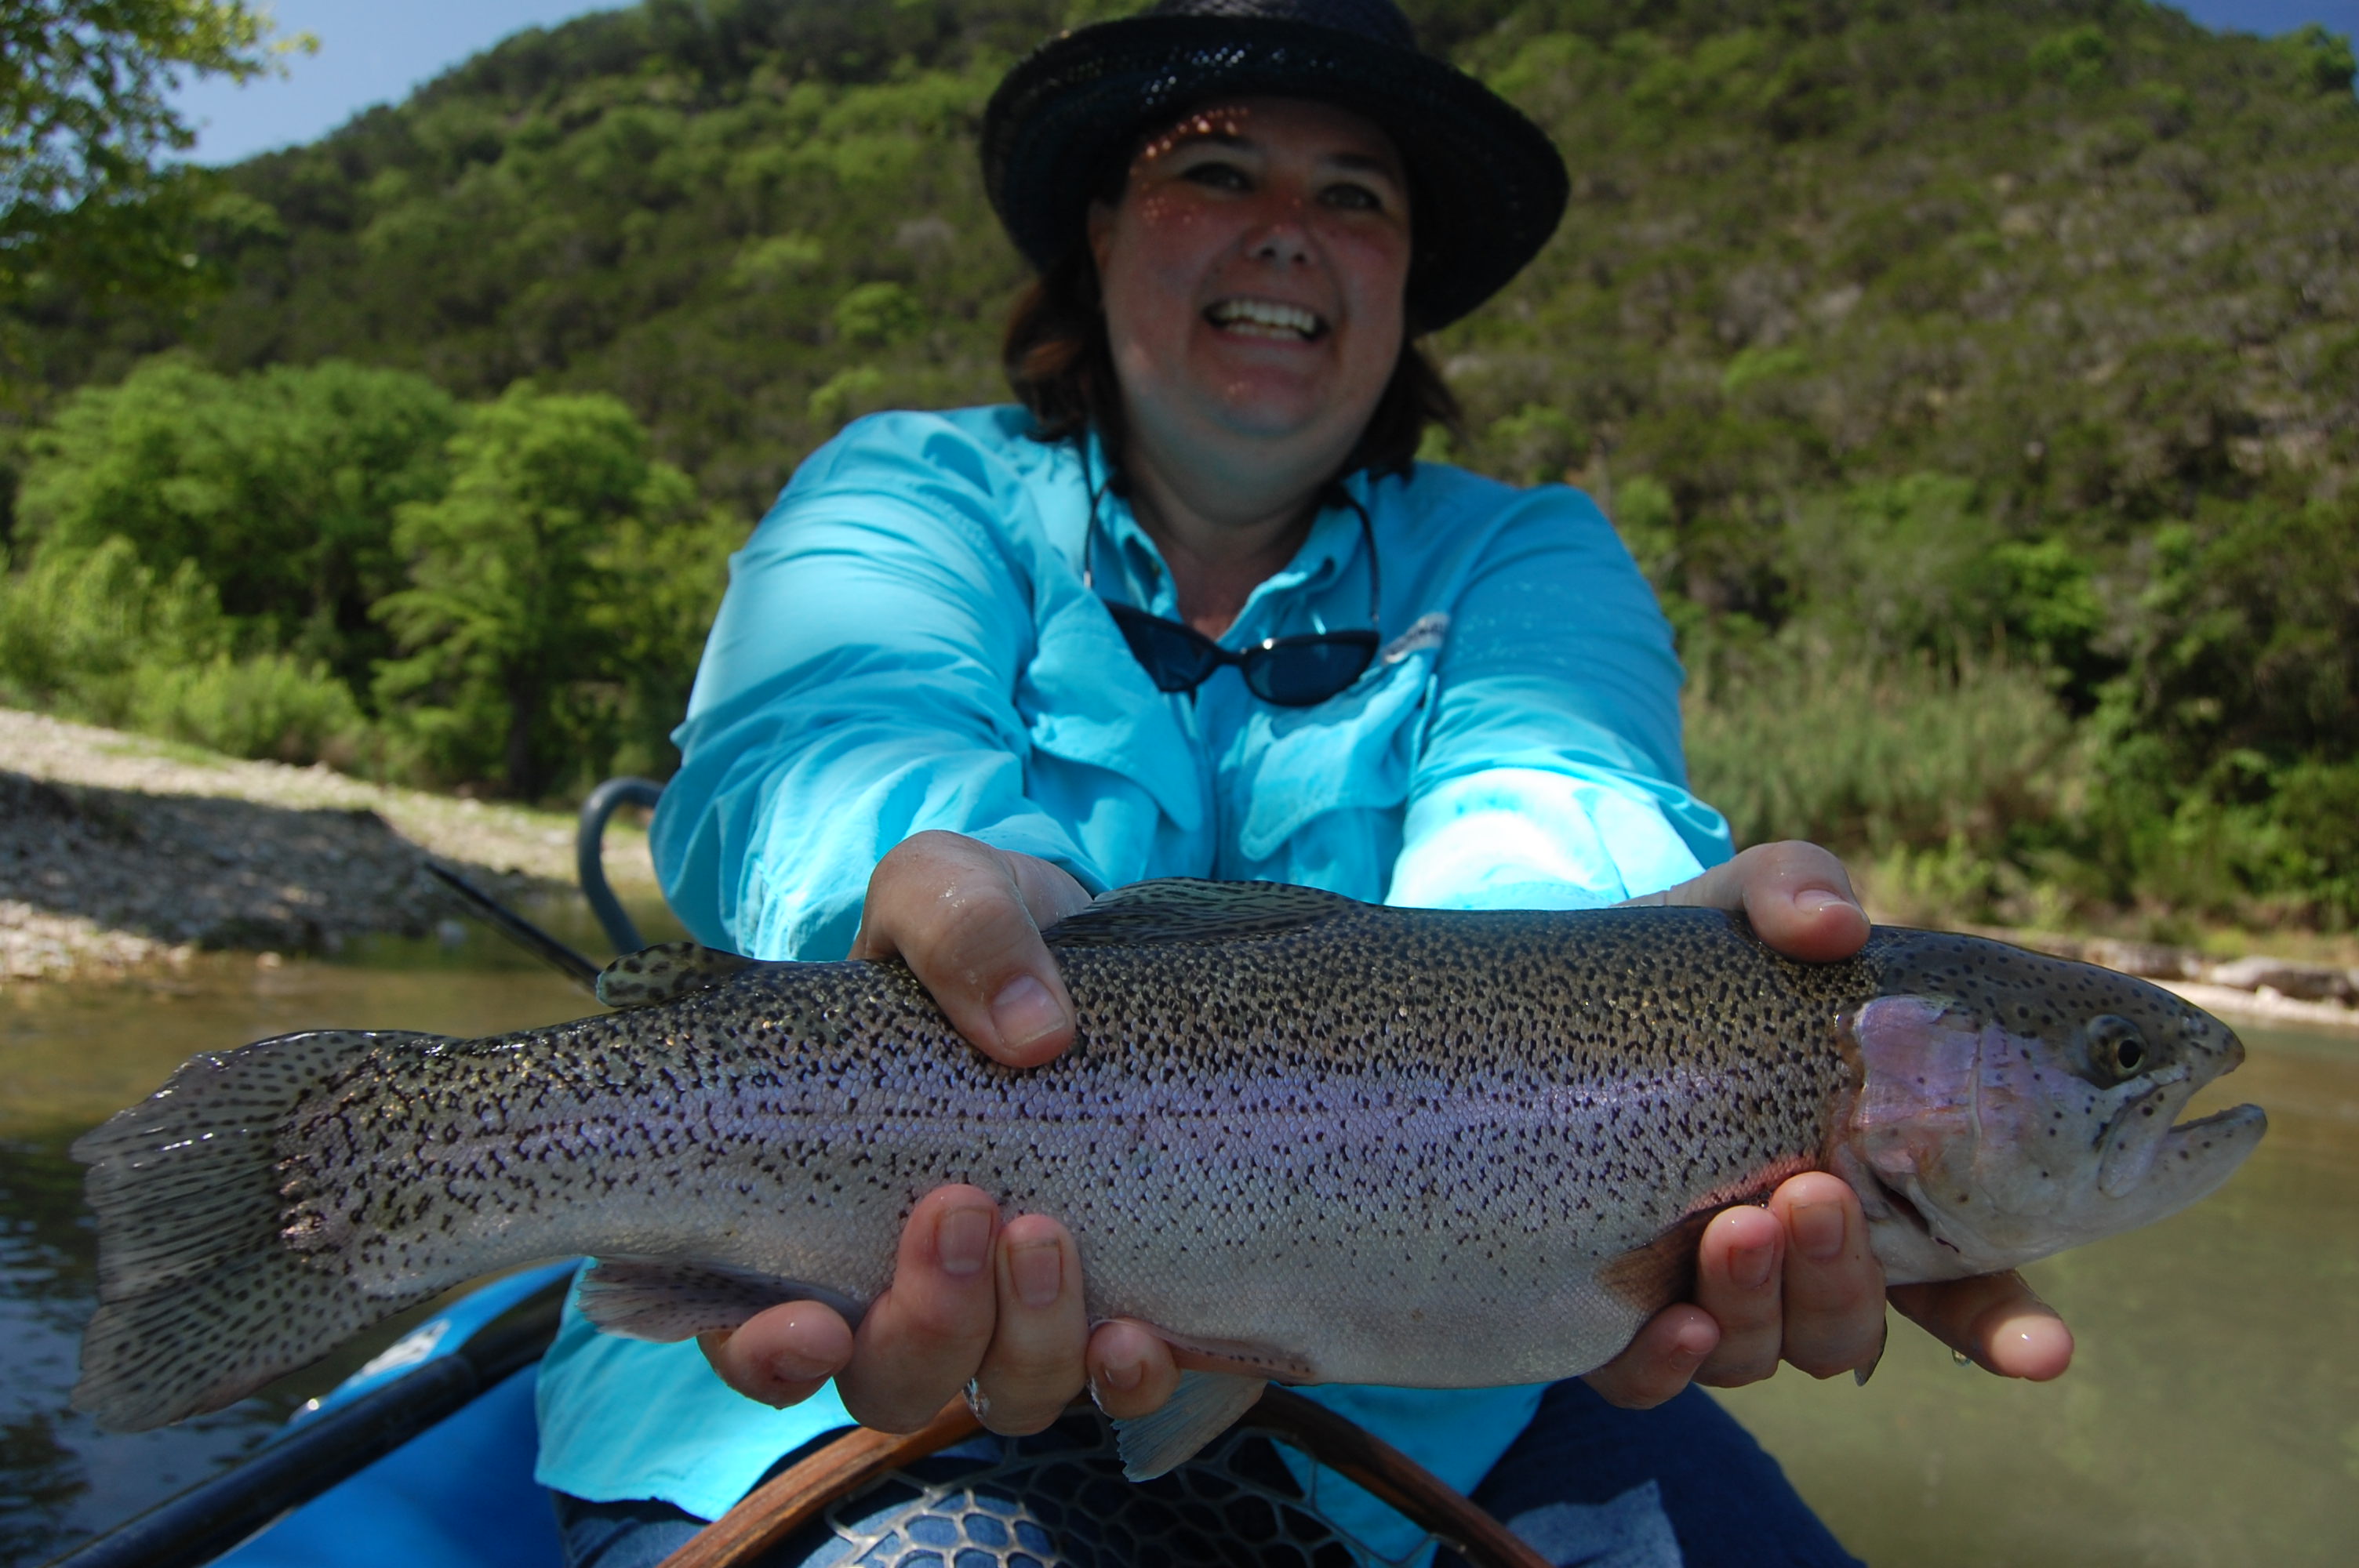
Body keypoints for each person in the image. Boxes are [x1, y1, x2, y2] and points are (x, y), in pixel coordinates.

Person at [536, 3, 2074, 1563]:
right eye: (1216, 171)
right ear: (1102, 229)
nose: (1286, 237)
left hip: (1433, 1420)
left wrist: (1642, 1060)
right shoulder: (906, 488)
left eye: (1353, 195)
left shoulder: (1521, 551)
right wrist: (952, 891)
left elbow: (1543, 827)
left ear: (1404, 280)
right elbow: (821, 741)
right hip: (828, 1382)